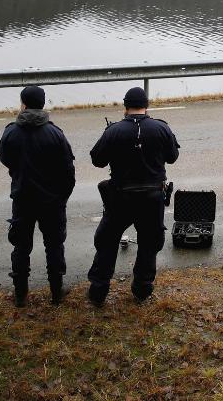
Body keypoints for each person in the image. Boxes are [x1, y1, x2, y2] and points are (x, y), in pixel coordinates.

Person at [86, 86, 180, 305]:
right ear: (146, 106)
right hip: (152, 197)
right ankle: (142, 290)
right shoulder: (161, 128)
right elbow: (173, 156)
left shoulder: (114, 131)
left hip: (120, 197)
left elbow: (97, 159)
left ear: (125, 107)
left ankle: (98, 291)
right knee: (149, 243)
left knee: (107, 242)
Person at [0, 86, 76, 307]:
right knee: (54, 245)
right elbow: (68, 171)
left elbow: (6, 160)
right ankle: (56, 292)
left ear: (23, 104)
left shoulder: (11, 132)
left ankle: (20, 293)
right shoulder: (55, 133)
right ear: (42, 104)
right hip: (52, 201)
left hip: (22, 199)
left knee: (21, 246)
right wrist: (62, 197)